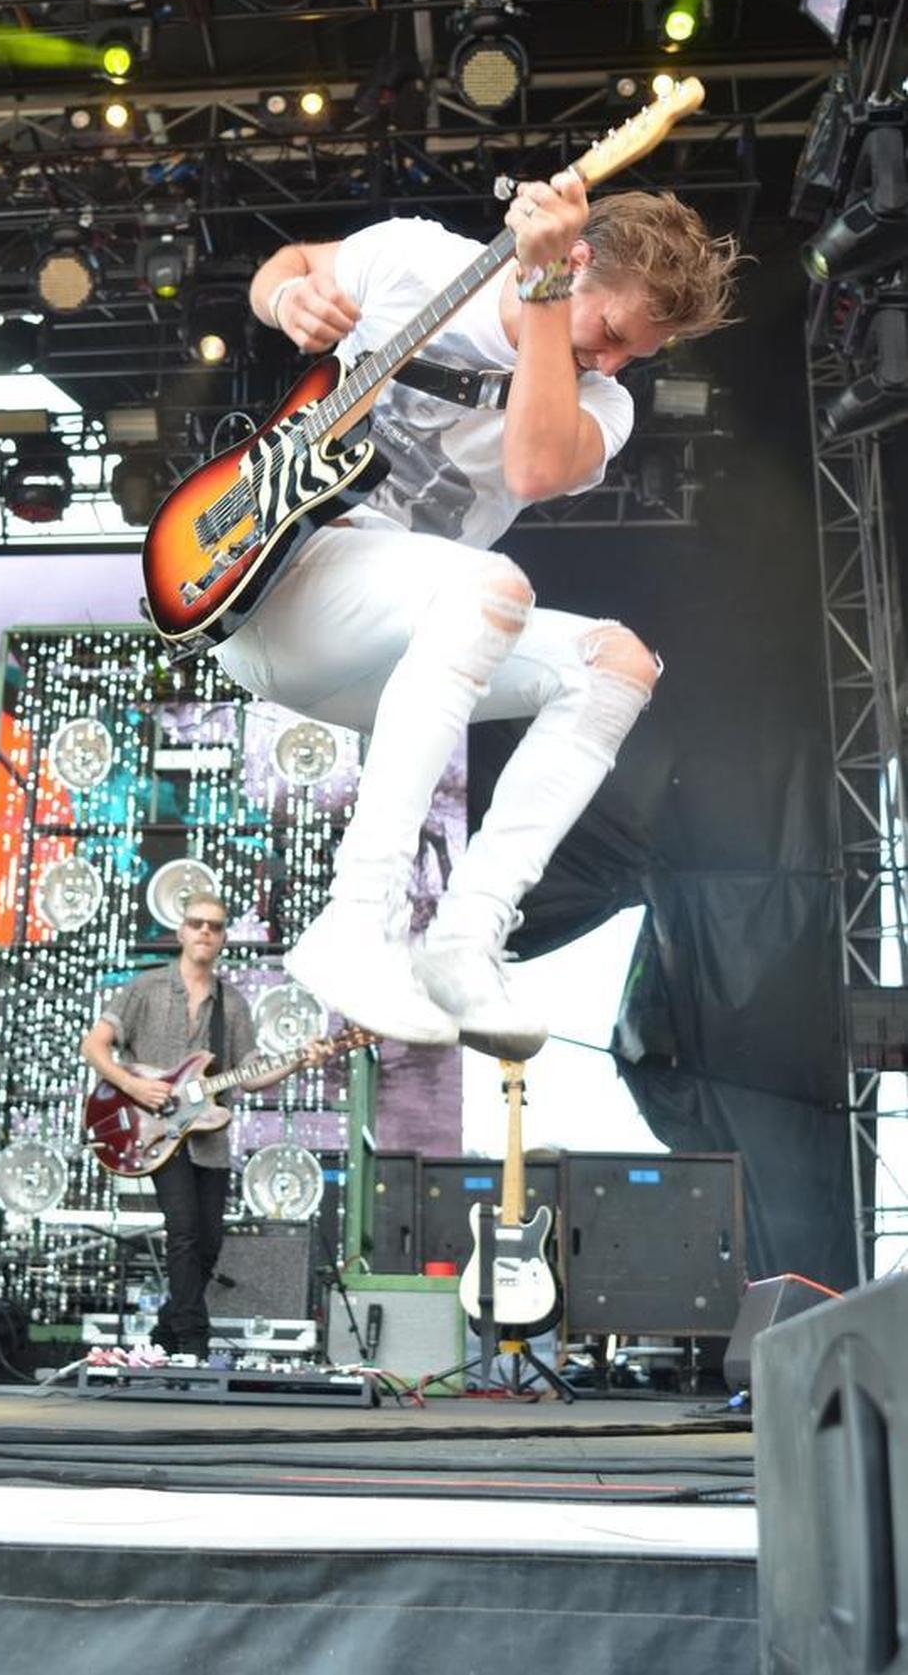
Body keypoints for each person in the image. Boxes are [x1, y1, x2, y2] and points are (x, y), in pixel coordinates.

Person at [215, 175, 739, 1049]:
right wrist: (284, 299)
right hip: (280, 587)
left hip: (388, 655)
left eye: (633, 356)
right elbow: (293, 262)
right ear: (575, 263)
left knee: (620, 664)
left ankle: (464, 941)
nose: (611, 365)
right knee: (489, 582)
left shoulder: (602, 406)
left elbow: (533, 466)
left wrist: (544, 301)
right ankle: (357, 917)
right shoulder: (424, 261)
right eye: (610, 332)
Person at [82, 892, 301, 1362]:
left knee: (208, 1243)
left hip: (210, 1137)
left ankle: (165, 1332)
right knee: (182, 1231)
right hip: (154, 1131)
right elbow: (95, 1045)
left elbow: (251, 1073)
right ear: (181, 931)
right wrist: (134, 1086)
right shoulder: (145, 988)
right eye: (197, 923)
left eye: (216, 926)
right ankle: (192, 1343)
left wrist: (299, 1059)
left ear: (223, 938)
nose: (205, 931)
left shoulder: (233, 1003)